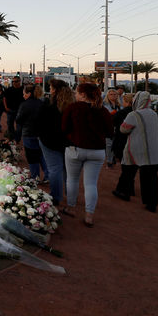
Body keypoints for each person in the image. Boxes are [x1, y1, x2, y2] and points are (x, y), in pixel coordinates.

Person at [61, 82, 113, 227]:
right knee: (91, 184)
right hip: (97, 151)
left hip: (75, 149)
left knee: (72, 180)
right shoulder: (103, 111)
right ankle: (89, 215)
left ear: (83, 94)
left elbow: (64, 128)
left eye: (77, 92)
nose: (75, 95)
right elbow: (110, 132)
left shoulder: (73, 108)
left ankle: (71, 208)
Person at [113, 91, 158, 211]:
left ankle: (124, 192)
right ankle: (151, 204)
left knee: (128, 170)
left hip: (136, 149)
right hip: (154, 151)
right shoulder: (154, 114)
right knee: (151, 178)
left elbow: (123, 129)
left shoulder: (134, 115)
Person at [37, 79, 74, 206]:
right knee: (67, 170)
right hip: (67, 142)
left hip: (49, 141)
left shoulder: (48, 106)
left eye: (51, 88)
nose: (50, 90)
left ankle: (56, 197)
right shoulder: (72, 107)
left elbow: (39, 122)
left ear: (55, 90)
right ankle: (70, 196)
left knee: (54, 169)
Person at [16, 84, 47, 181]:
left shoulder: (24, 105)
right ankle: (48, 175)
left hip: (28, 133)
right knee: (42, 155)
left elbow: (19, 120)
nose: (23, 95)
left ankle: (35, 177)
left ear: (29, 93)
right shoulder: (42, 103)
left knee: (31, 156)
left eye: (24, 93)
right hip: (41, 134)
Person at [3, 77, 24, 141]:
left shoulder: (23, 89)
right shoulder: (9, 89)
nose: (14, 83)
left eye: (16, 81)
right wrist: (6, 107)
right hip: (10, 110)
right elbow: (4, 98)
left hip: (20, 111)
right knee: (10, 124)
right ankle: (12, 137)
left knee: (19, 127)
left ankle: (17, 139)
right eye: (13, 81)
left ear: (19, 81)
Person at [103, 89, 120, 163]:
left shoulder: (119, 105)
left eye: (114, 94)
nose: (113, 96)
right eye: (111, 94)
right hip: (108, 126)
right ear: (107, 95)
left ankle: (113, 157)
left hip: (117, 127)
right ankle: (108, 160)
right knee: (108, 144)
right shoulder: (104, 104)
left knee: (115, 143)